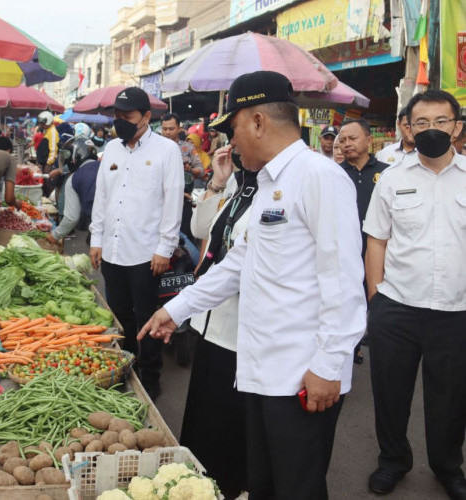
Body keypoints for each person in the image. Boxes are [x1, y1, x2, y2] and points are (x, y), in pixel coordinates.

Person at [138, 71, 366, 499]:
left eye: (234, 128)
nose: (231, 141)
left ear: (259, 121)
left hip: (301, 377)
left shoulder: (319, 176)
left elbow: (344, 281)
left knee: (296, 487)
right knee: (261, 483)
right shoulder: (267, 183)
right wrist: (175, 310)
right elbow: (238, 263)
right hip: (260, 372)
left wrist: (329, 365)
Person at [363, 89, 466, 500]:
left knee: (451, 399)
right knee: (391, 394)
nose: (431, 130)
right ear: (408, 127)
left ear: (457, 127)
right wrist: (376, 300)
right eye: (421, 123)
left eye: (441, 121)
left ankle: (448, 467)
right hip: (397, 308)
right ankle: (392, 461)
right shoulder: (392, 177)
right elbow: (376, 241)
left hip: (456, 311)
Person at [89, 87, 184, 401]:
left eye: (127, 116)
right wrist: (96, 239)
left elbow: (173, 201)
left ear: (146, 117)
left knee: (148, 318)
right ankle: (126, 370)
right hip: (113, 252)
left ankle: (150, 374)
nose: (120, 122)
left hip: (146, 253)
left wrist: (165, 248)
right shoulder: (112, 149)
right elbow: (102, 197)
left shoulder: (166, 151)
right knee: (119, 315)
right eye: (117, 116)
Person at [181, 148, 258, 499]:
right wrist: (218, 181)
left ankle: (231, 486)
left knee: (229, 418)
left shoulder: (274, 192)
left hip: (241, 328)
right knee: (204, 412)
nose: (235, 149)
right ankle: (198, 481)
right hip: (209, 321)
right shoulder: (237, 188)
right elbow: (200, 228)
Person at [338, 118, 388, 365]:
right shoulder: (333, 174)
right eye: (342, 140)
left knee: (377, 302)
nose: (347, 144)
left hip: (379, 251)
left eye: (352, 138)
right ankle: (350, 347)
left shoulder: (387, 173)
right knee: (347, 301)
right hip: (344, 251)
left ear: (369, 140)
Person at [46, 136, 99, 245]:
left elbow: (71, 218)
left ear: (74, 157)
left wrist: (55, 234)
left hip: (101, 230)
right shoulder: (107, 167)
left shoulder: (74, 178)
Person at [160, 112, 204, 243]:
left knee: (185, 237)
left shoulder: (188, 148)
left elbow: (201, 171)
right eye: (164, 129)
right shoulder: (155, 148)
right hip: (160, 199)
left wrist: (189, 169)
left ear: (179, 129)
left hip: (183, 199)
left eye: (171, 129)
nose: (167, 132)